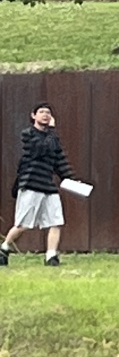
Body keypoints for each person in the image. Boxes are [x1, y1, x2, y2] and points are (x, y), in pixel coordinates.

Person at [0, 103, 74, 267]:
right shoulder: (28, 134)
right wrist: (52, 131)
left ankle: (51, 256)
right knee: (23, 225)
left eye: (48, 112)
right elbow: (39, 149)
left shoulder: (53, 139)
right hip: (31, 184)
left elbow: (59, 160)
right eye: (41, 112)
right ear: (33, 116)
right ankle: (4, 248)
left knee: (56, 222)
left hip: (48, 186)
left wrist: (70, 179)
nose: (45, 115)